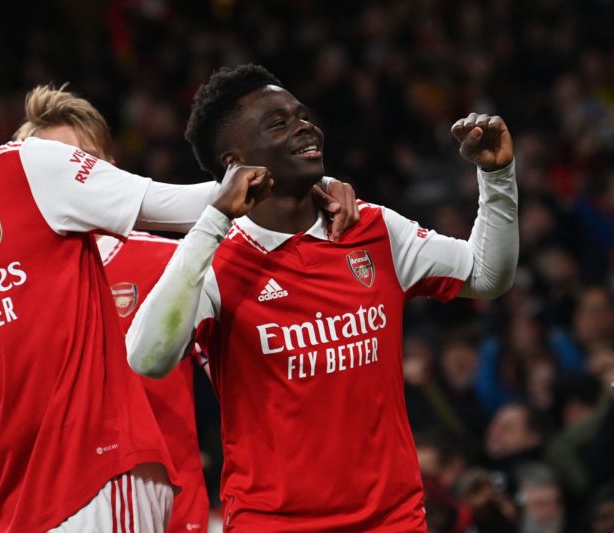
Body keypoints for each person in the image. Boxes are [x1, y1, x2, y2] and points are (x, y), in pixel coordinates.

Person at [0, 60, 353, 532]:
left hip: (108, 474)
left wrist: (313, 186)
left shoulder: (30, 169)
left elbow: (181, 202)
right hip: (25, 502)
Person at [127, 64, 519, 531]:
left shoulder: (373, 229)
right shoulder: (217, 260)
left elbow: (487, 274)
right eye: (278, 123)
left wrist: (496, 176)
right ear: (235, 161)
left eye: (301, 115)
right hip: (273, 521)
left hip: (391, 519)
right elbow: (147, 357)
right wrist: (213, 221)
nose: (304, 127)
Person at [0, 85, 213, 533]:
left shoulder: (168, 263)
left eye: (81, 163)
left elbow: (246, 382)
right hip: (51, 513)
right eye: (49, 168)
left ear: (109, 173)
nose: (63, 179)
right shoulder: (5, 294)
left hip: (159, 509)